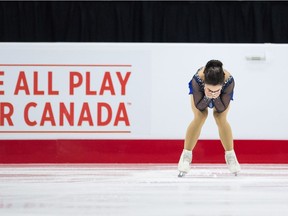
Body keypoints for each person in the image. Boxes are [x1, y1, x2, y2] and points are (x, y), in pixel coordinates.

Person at [178, 60, 241, 177]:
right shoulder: (197, 79)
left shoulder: (229, 81)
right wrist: (207, 96)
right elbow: (200, 106)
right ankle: (186, 157)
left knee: (220, 117)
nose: (213, 92)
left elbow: (221, 108)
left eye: (216, 89)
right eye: (210, 89)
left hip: (223, 93)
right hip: (200, 92)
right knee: (200, 116)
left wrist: (216, 96)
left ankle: (231, 156)